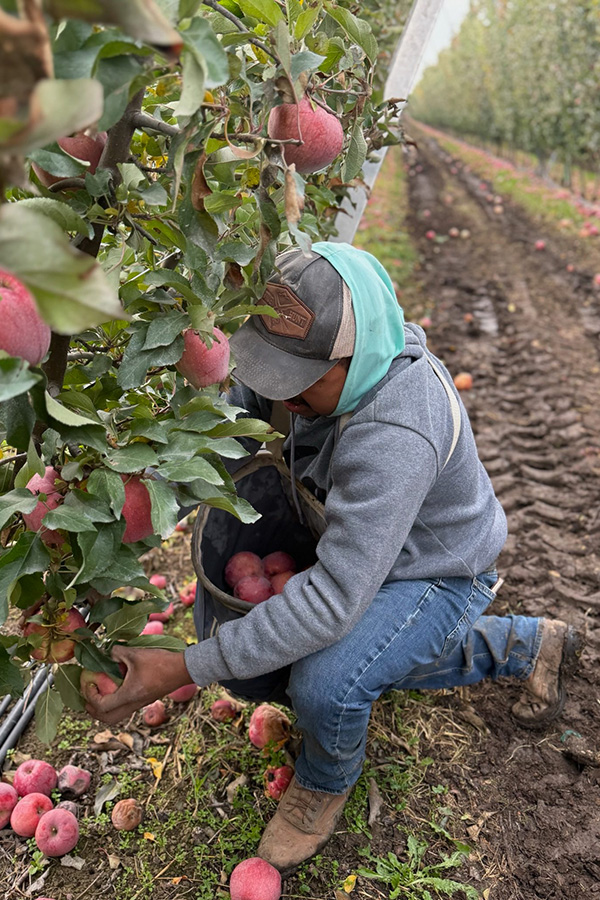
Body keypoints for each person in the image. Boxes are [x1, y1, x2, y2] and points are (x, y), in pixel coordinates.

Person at [86, 242, 583, 873]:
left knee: (327, 682)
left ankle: (323, 780)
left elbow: (332, 602)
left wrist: (183, 665)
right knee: (319, 655)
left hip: (434, 570)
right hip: (362, 545)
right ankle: (523, 645)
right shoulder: (316, 373)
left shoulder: (398, 431)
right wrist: (122, 517)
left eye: (299, 385)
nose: (283, 399)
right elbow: (218, 449)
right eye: (273, 375)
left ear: (359, 353)